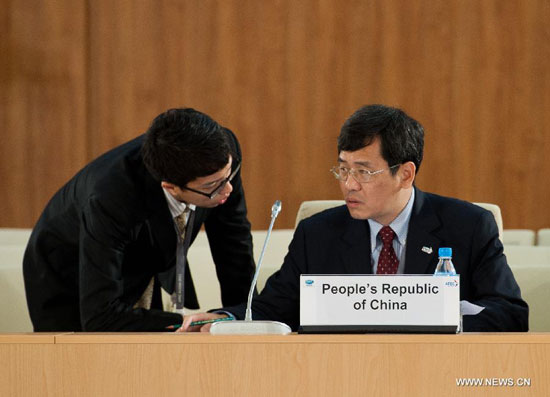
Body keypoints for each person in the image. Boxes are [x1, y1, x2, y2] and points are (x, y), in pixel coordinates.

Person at [181, 104, 528, 333]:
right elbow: (274, 308)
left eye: (363, 171)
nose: (349, 184)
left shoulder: (467, 226)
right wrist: (223, 318)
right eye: (343, 169)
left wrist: (437, 316)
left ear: (405, 174)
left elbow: (511, 314)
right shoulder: (317, 232)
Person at [23, 108, 256, 331]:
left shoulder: (222, 153)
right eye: (212, 186)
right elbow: (100, 317)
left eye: (228, 175)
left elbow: (234, 248)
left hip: (140, 258)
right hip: (66, 270)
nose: (227, 189)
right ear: (171, 187)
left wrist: (243, 319)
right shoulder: (111, 196)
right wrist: (189, 323)